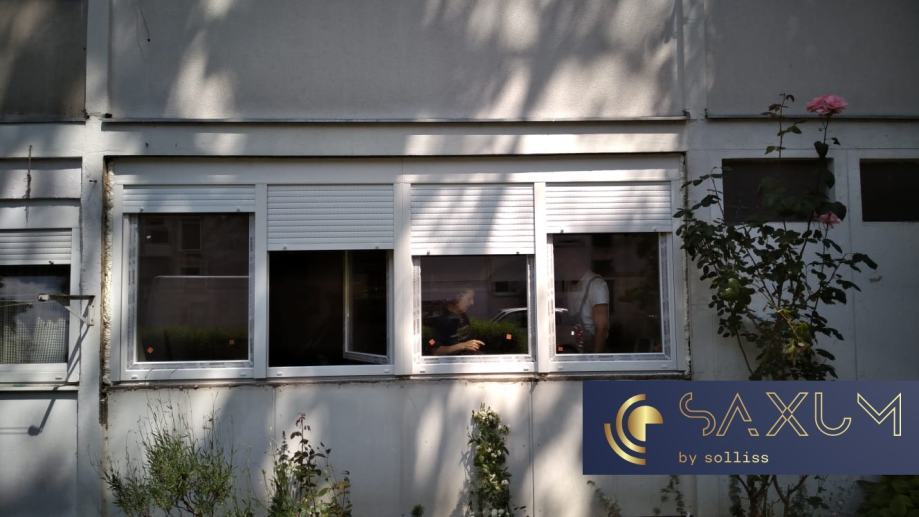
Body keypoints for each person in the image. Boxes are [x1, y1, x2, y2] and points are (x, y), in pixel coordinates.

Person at [557, 237, 610, 353]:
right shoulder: (570, 285)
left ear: (576, 259)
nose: (560, 264)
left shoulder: (596, 285)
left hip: (589, 353)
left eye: (563, 259)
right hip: (572, 350)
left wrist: (595, 359)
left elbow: (602, 328)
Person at [426, 288, 485, 355]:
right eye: (469, 299)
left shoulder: (462, 314)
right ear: (458, 298)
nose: (472, 302)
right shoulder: (439, 318)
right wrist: (463, 346)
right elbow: (434, 350)